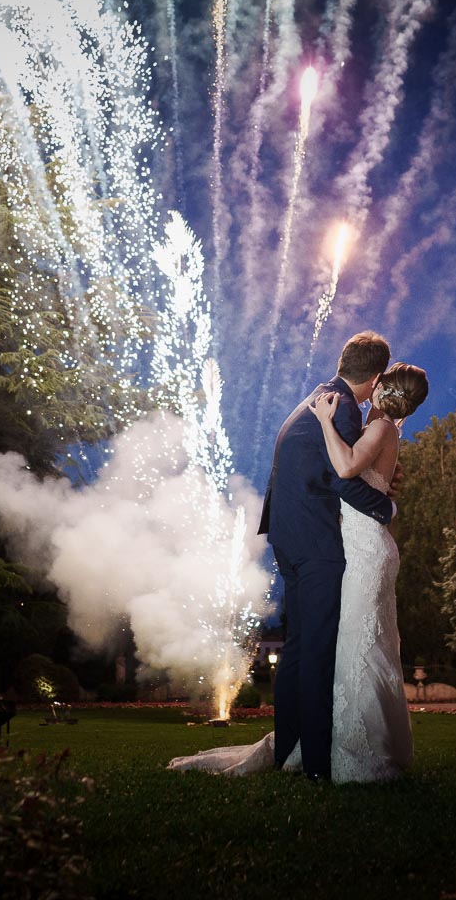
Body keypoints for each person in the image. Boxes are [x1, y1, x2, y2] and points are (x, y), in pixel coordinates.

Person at [168, 334, 430, 783]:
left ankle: (289, 747)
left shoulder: (316, 398)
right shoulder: (343, 408)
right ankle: (316, 764)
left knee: (297, 650)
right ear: (375, 377)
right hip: (318, 544)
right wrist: (386, 505)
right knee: (318, 652)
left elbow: (342, 468)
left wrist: (383, 476)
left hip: (290, 536)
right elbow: (345, 478)